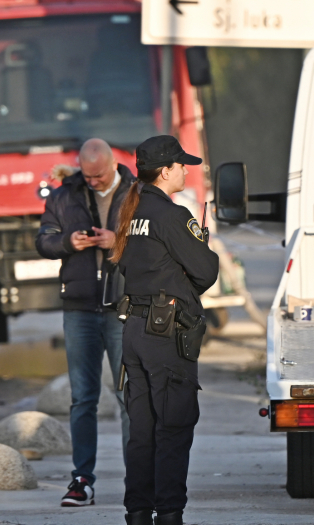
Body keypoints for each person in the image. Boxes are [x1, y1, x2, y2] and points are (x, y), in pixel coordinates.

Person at [110, 135, 219, 525]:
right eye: (181, 164)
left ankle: (138, 511)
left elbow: (127, 268)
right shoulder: (171, 215)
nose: (186, 170)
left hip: (136, 330)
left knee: (142, 429)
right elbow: (206, 271)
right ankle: (169, 513)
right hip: (165, 334)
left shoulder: (132, 209)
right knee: (173, 426)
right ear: (165, 171)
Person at [35, 138, 133, 507]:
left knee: (129, 397)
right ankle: (81, 479)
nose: (92, 181)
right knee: (82, 399)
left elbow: (155, 243)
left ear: (112, 165)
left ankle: (137, 479)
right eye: (87, 175)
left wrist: (116, 241)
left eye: (98, 175)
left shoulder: (136, 194)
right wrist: (67, 242)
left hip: (122, 306)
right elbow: (42, 240)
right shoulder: (64, 195)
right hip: (78, 306)